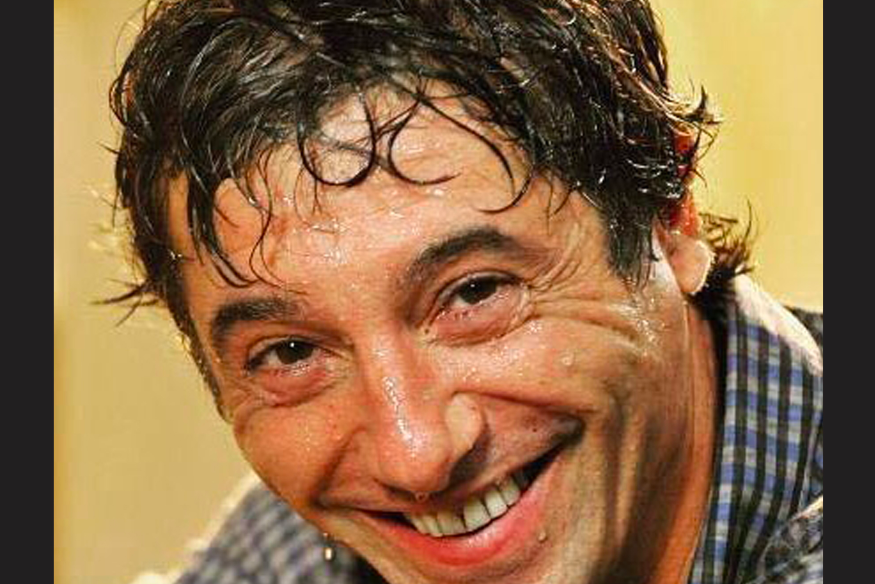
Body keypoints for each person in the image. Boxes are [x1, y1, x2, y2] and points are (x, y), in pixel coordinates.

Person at [109, 1, 822, 583]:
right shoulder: (319, 535)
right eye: (292, 352)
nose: (414, 457)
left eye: (474, 294)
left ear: (667, 216)